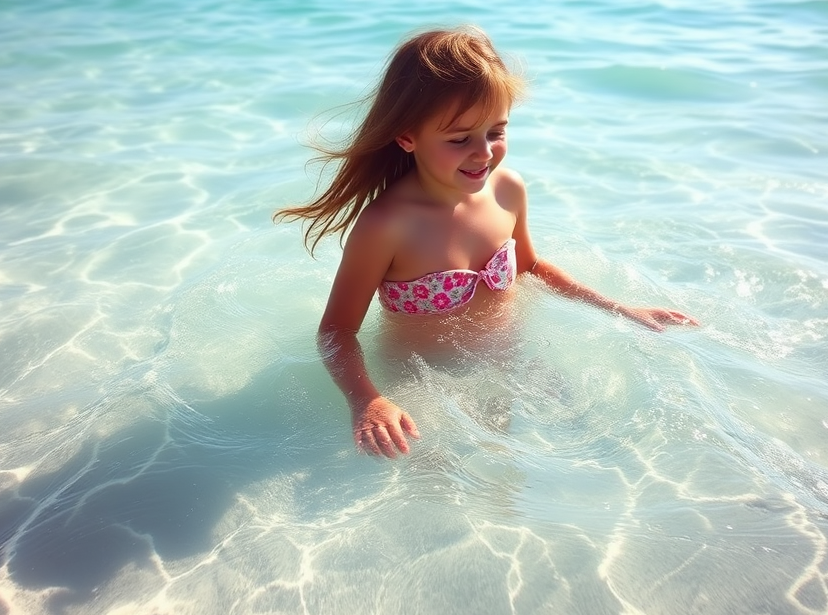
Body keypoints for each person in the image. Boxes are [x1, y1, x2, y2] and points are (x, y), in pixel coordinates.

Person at [275, 27, 697, 458]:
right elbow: (336, 332)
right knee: (443, 493)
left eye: (496, 132)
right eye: (459, 139)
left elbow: (532, 268)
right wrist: (368, 400)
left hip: (510, 365)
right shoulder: (387, 225)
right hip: (427, 389)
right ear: (407, 137)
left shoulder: (507, 190)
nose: (484, 153)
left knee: (527, 473)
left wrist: (617, 307)